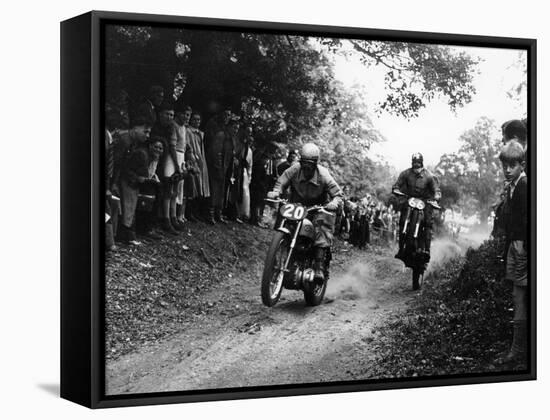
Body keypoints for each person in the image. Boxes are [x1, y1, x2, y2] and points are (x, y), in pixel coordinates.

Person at [267, 143, 343, 283]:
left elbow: (338, 194)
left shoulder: (324, 175)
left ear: (315, 163)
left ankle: (319, 266)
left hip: (317, 208)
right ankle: (278, 259)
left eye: (310, 163)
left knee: (322, 225)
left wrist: (333, 203)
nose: (306, 167)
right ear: (300, 161)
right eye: (304, 163)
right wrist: (276, 192)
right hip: (296, 206)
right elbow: (281, 182)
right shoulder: (294, 169)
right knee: (285, 223)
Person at [495, 140, 528, 367]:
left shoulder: (525, 185)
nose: (507, 169)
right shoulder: (513, 185)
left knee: (520, 295)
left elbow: (529, 218)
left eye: (512, 165)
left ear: (522, 164)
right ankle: (519, 347)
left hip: (522, 246)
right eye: (505, 165)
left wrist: (524, 245)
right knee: (517, 294)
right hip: (514, 245)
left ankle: (518, 350)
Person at [392, 152, 441, 260]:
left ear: (422, 164)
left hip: (425, 202)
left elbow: (436, 190)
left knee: (428, 223)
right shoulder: (406, 173)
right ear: (412, 163)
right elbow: (397, 184)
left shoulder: (429, 176)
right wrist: (396, 189)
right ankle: (401, 249)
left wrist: (436, 197)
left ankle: (427, 250)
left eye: (418, 164)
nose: (416, 167)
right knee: (402, 220)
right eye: (414, 164)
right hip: (410, 200)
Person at [185, 111, 210, 221]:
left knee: (200, 186)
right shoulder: (188, 131)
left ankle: (195, 211)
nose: (196, 122)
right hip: (192, 158)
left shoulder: (200, 133)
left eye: (198, 120)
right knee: (192, 185)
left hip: (200, 159)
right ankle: (188, 212)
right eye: (194, 119)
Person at [173, 104, 192, 224]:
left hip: (182, 156)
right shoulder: (174, 126)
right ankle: (171, 215)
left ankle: (178, 214)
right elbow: (173, 145)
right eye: (186, 114)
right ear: (179, 114)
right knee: (173, 184)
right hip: (174, 155)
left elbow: (186, 146)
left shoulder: (184, 128)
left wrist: (187, 159)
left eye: (189, 115)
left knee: (180, 187)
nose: (187, 117)